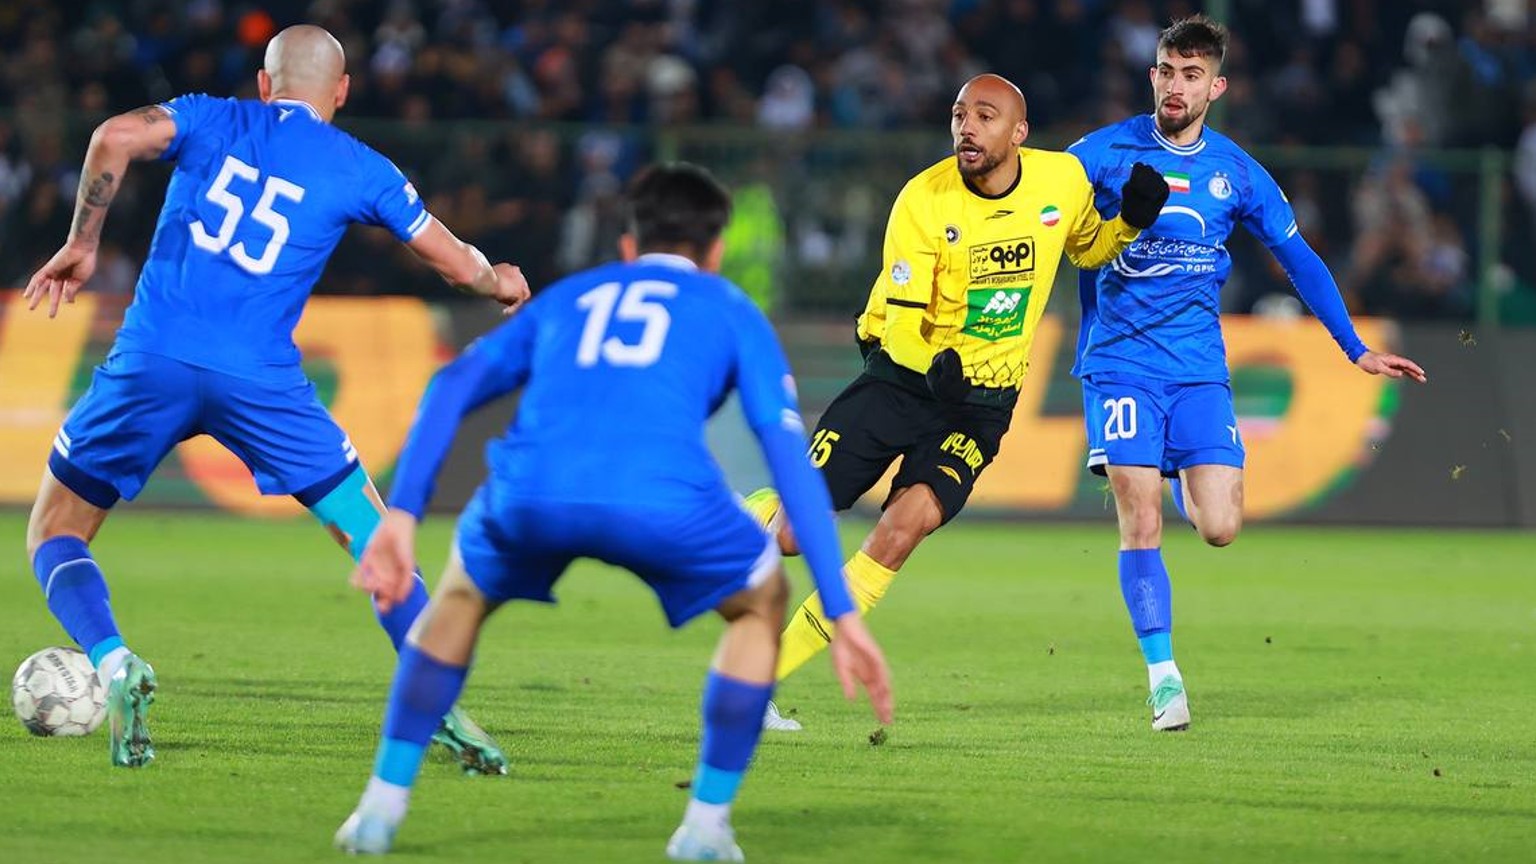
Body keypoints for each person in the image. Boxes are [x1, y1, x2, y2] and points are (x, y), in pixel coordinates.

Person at [333, 162, 893, 861]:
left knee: (457, 600)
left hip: (533, 489)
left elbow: (451, 385)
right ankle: (704, 827)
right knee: (760, 605)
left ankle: (380, 808)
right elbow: (788, 458)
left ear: (629, 245)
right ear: (716, 250)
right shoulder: (731, 310)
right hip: (664, 498)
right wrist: (840, 610)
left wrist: (403, 516)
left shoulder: (573, 295)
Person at [21, 25, 526, 769]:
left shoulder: (209, 116)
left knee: (54, 531)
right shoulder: (362, 166)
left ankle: (114, 658)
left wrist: (84, 242)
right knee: (373, 539)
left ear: (264, 83)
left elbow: (112, 137)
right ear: (342, 92)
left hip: (152, 360)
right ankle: (435, 702)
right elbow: (454, 263)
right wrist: (497, 279)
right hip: (260, 383)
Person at [744, 73, 1170, 731]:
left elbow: (1087, 248)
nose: (967, 127)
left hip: (981, 406)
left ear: (1019, 132)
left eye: (985, 116)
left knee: (901, 530)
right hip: (900, 380)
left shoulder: (1061, 181)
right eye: (959, 114)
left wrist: (1131, 222)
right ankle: (748, 510)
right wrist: (934, 370)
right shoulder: (922, 199)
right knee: (795, 536)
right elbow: (902, 326)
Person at [1067, 15, 1427, 731]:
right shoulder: (1100, 154)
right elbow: (1038, 213)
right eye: (1168, 72)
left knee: (1221, 527)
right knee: (1140, 518)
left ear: (1217, 87)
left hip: (1199, 368)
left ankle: (1172, 466)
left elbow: (1300, 260)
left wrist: (1353, 347)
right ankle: (1164, 679)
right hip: (1121, 363)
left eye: (1192, 75)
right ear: (1152, 76)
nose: (1176, 86)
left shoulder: (1236, 173)